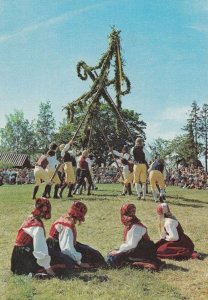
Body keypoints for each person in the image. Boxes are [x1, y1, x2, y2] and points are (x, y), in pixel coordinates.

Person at [47, 200, 107, 269]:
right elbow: (66, 249)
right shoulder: (67, 226)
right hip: (56, 249)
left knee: (91, 251)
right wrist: (80, 263)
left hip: (57, 245)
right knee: (91, 256)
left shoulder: (66, 219)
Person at [107, 203, 164, 271]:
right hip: (138, 248)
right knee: (113, 254)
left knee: (114, 258)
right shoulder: (132, 223)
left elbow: (132, 244)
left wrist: (118, 251)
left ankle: (145, 263)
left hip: (142, 250)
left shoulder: (135, 226)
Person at [11, 197, 55, 276]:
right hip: (24, 255)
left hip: (17, 253)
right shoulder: (37, 226)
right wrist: (48, 267)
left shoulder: (30, 218)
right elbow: (40, 248)